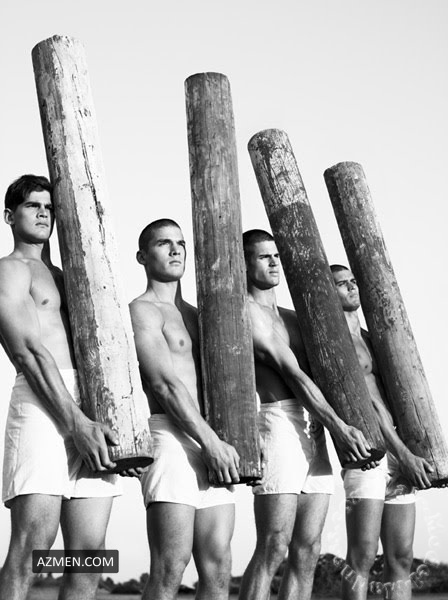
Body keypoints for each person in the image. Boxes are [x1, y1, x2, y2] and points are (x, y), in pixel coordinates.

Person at [0, 174, 122, 600]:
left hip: (90, 407)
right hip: (42, 403)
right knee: (35, 547)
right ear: (9, 216)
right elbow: (28, 352)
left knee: (89, 557)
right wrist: (75, 424)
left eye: (50, 207)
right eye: (33, 205)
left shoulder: (73, 277)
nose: (43, 213)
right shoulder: (10, 270)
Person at [239, 230, 374, 600]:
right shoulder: (248, 313)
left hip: (314, 425)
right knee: (274, 544)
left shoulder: (294, 318)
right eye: (263, 256)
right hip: (280, 422)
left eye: (276, 256)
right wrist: (339, 427)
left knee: (309, 549)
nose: (274, 262)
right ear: (244, 263)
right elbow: (295, 375)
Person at [129, 218, 240, 600]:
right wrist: (211, 443)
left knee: (218, 569)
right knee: (170, 567)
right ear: (142, 256)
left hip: (212, 442)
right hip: (172, 438)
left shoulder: (199, 315)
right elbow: (164, 384)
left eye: (180, 243)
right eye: (164, 243)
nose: (176, 249)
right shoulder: (142, 310)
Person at [330, 264, 434, 600]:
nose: (352, 287)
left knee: (401, 557)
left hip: (399, 451)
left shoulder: (372, 339)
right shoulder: (337, 343)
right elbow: (370, 406)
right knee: (362, 556)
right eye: (342, 284)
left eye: (353, 281)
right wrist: (404, 454)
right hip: (370, 455)